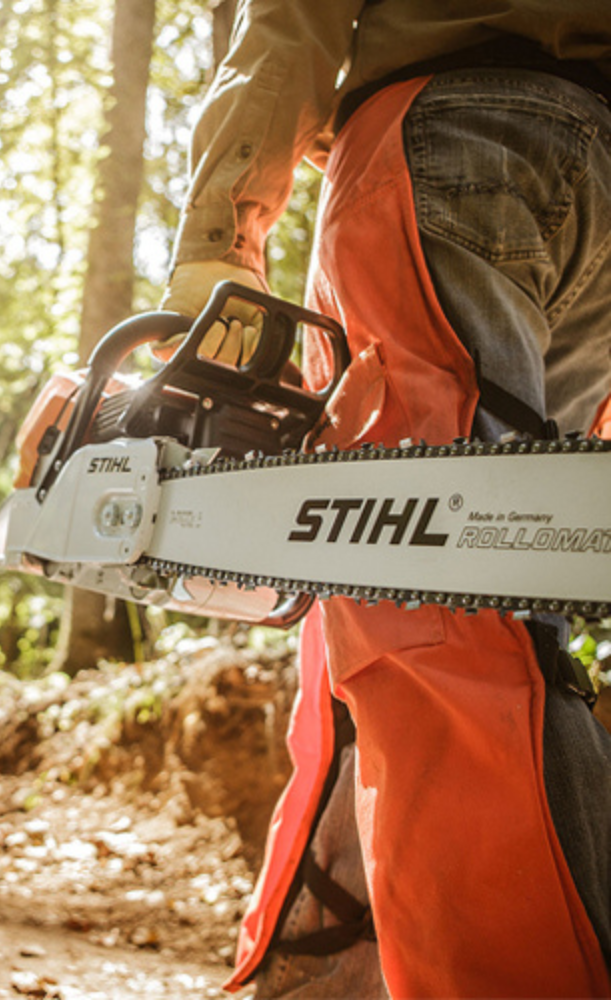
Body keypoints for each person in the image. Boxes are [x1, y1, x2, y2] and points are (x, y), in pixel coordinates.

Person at [160, 4, 611, 997]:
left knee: (433, 614)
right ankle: (324, 973)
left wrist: (221, 231)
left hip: (444, 146)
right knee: (459, 592)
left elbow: (292, 14)